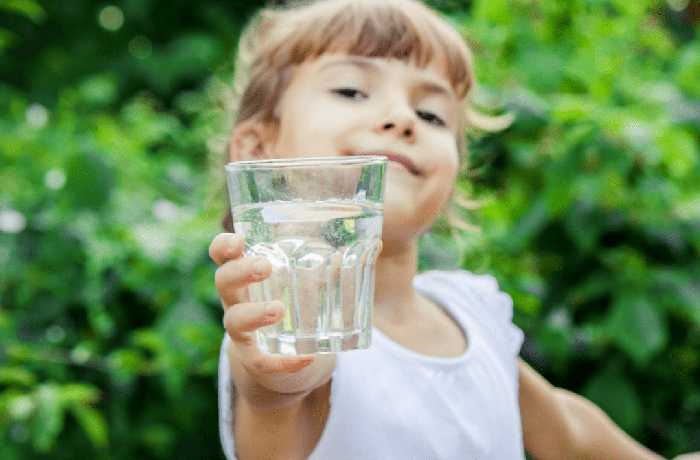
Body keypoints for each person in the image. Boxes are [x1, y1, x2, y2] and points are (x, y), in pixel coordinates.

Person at [208, 1, 700, 458]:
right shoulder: (281, 325)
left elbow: (567, 429)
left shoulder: (471, 309)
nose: (403, 118)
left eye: (432, 114)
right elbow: (275, 406)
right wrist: (283, 377)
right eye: (352, 90)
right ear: (257, 150)